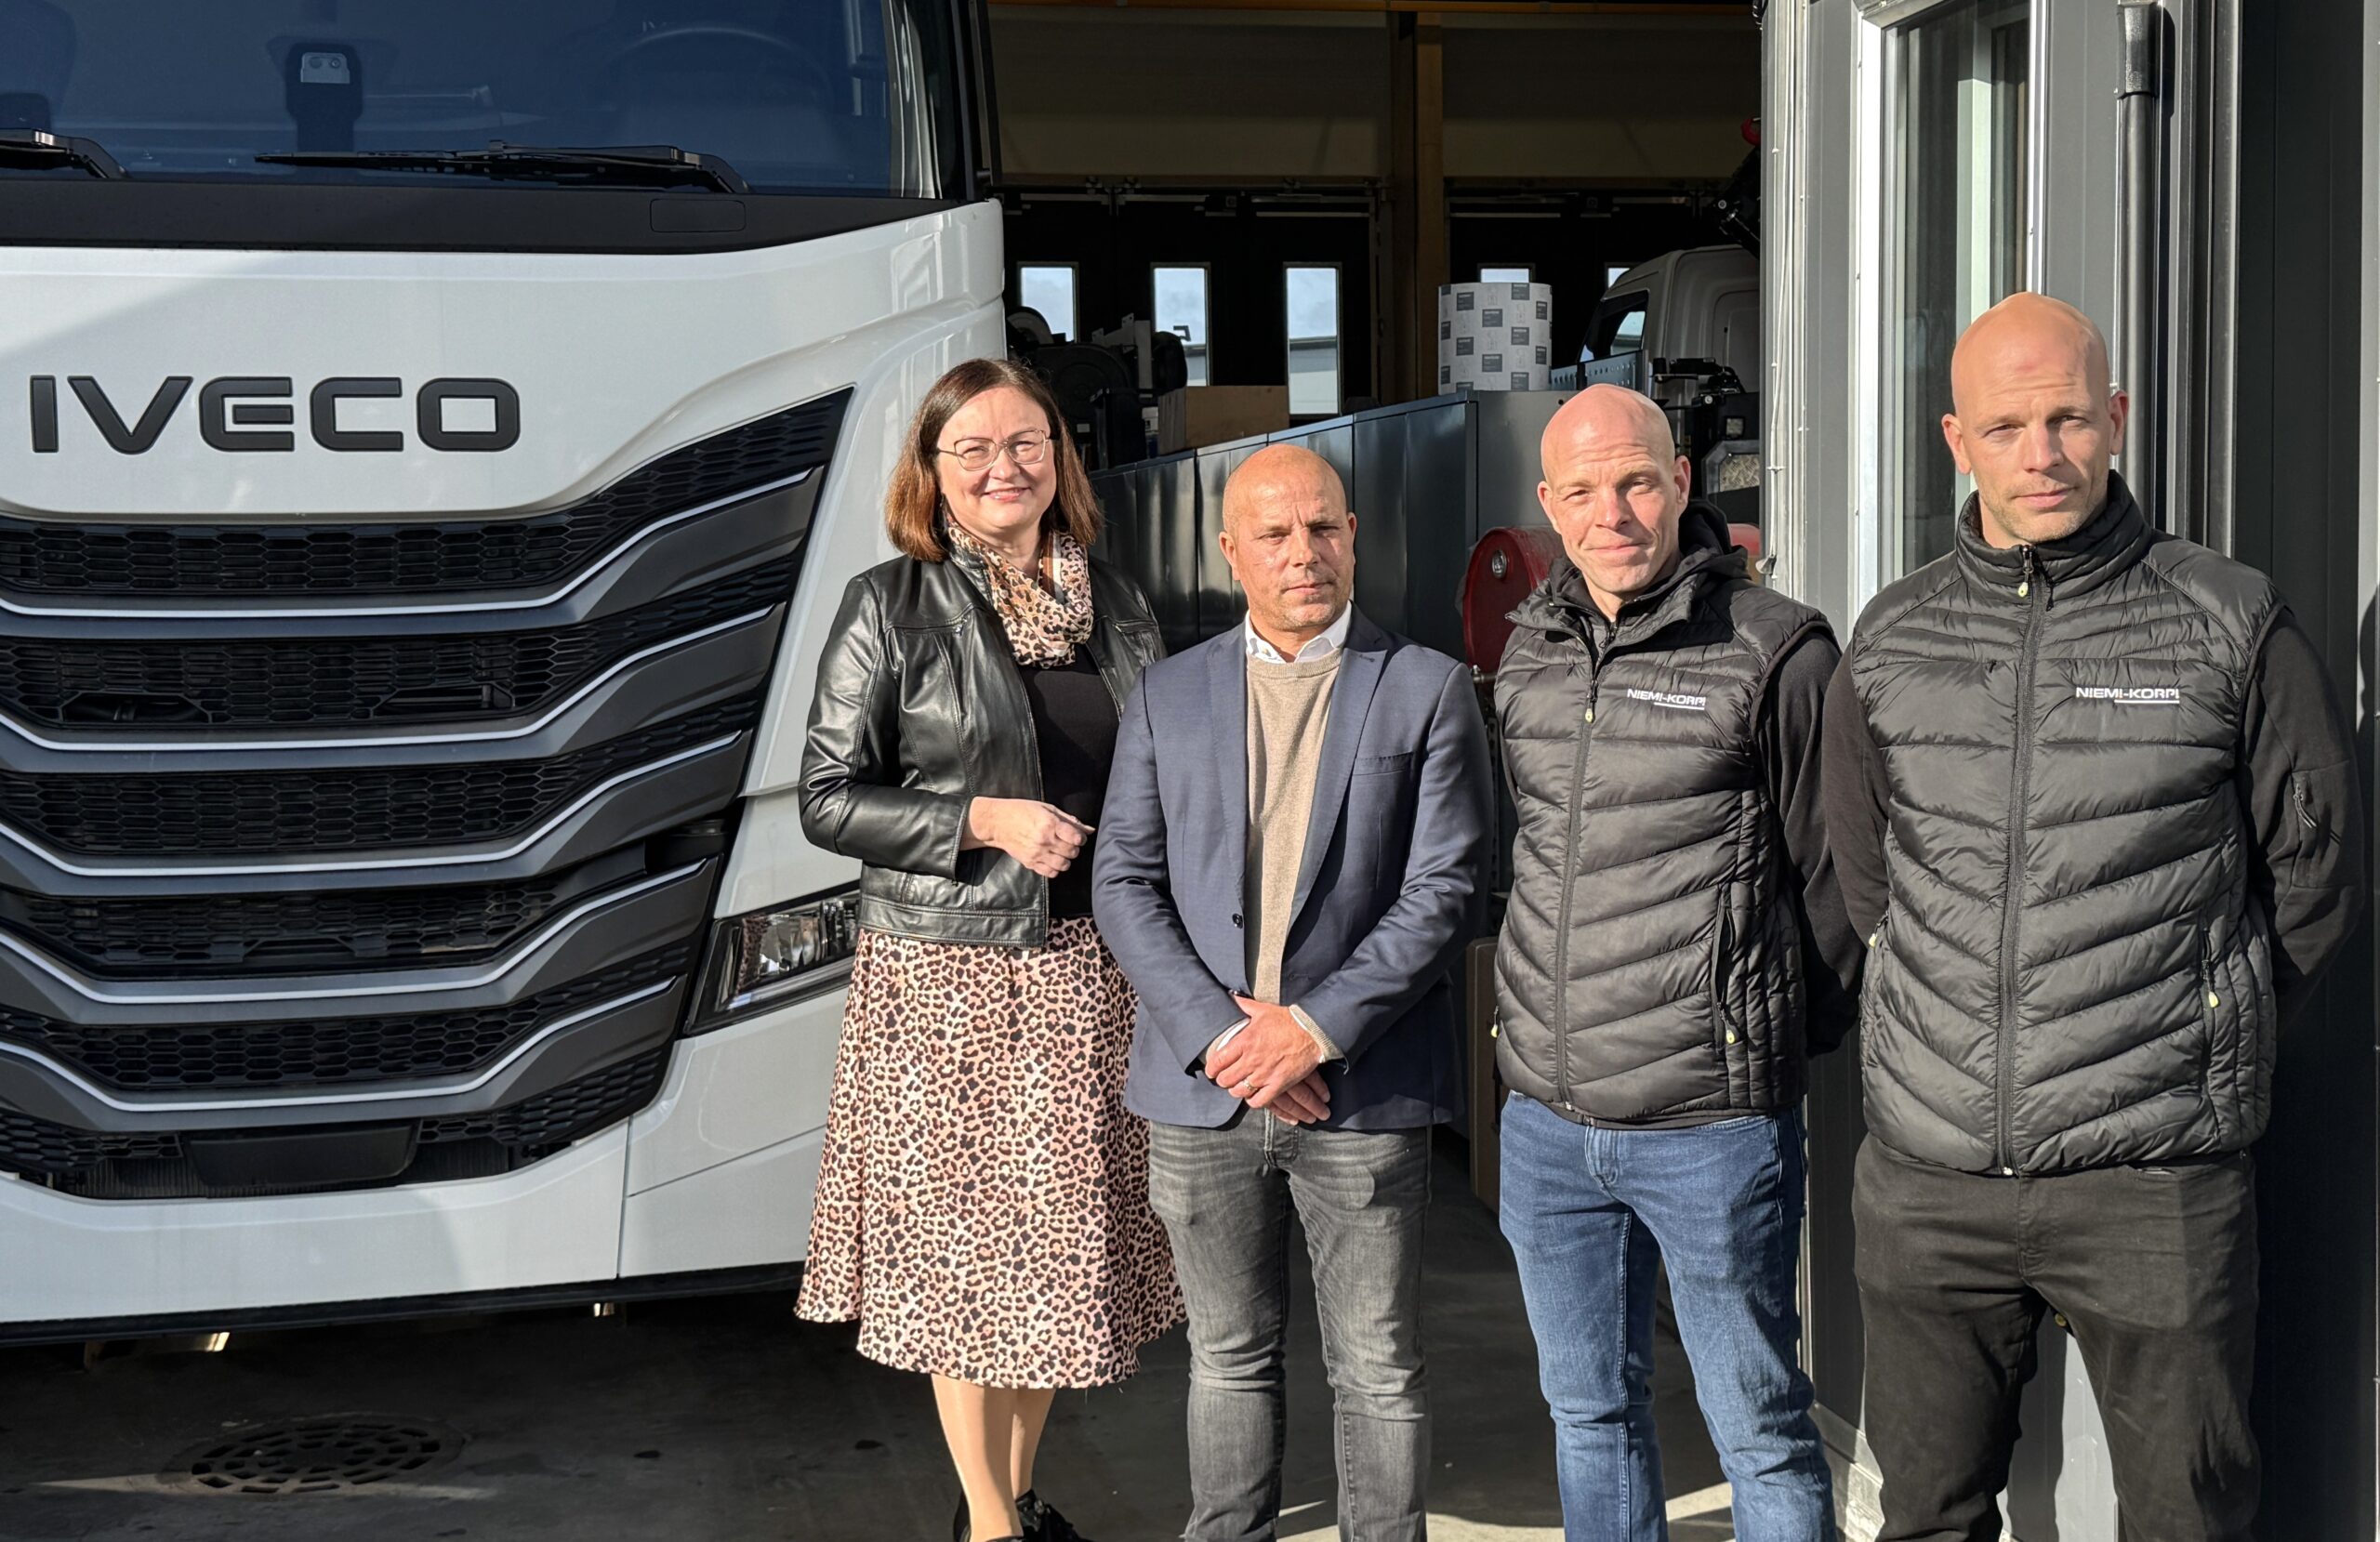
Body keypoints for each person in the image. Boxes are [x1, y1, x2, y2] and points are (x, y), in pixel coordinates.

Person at [1824, 293, 2366, 1542]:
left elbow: (2315, 879)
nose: (2042, 453)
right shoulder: (1894, 636)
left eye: (2068, 418)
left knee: (2188, 1518)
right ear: (1955, 440)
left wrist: (2191, 1028)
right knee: (1925, 1517)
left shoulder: (2231, 620)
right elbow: (1868, 877)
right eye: (2006, 427)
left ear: (2115, 417)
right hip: (1930, 1179)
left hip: (2152, 1182)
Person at [796, 357, 1181, 1542]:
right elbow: (825, 798)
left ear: (1060, 458)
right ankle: (994, 1529)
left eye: (1026, 443)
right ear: (932, 471)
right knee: (968, 1269)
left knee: (1054, 1267)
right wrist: (979, 819)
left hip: (1091, 975)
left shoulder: (1115, 600)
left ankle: (1002, 1505)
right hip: (948, 981)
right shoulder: (889, 603)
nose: (1003, 467)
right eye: (972, 449)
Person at [1092, 443, 1492, 1542]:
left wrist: (1311, 1032)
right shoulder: (1166, 694)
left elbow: (1447, 888)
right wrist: (1226, 1038)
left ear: (1353, 536)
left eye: (1321, 527)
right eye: (1273, 534)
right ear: (1232, 553)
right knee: (1226, 1358)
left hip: (1362, 1089)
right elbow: (1122, 882)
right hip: (1205, 1090)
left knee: (1378, 1366)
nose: (1301, 552)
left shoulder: (1424, 687)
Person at [1490, 385, 1858, 1541]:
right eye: (1583, 491)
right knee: (1589, 1414)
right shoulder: (1532, 650)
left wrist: (1759, 1039)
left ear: (1682, 482)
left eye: (1637, 481)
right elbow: (1533, 853)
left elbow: (1838, 884)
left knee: (1759, 1427)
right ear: (1548, 504)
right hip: (1547, 1123)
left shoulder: (1776, 649)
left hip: (1710, 1125)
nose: (1612, 513)